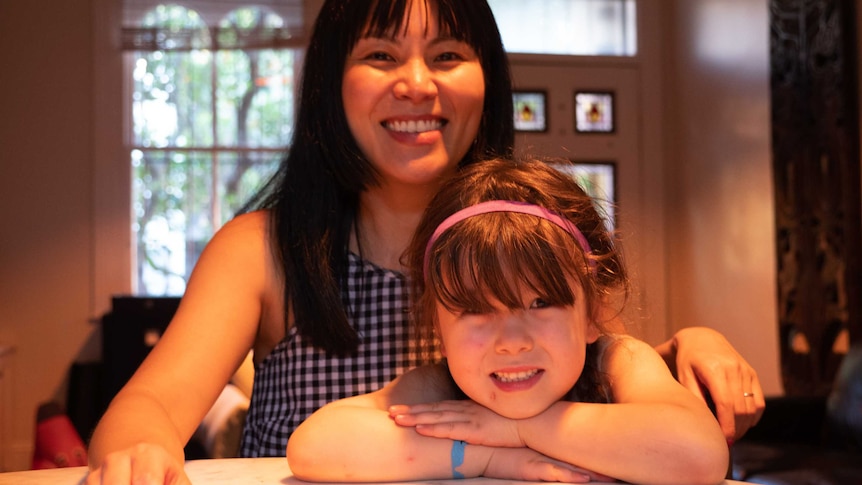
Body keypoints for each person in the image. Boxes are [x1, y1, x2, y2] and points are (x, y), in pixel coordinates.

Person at [86, 0, 762, 483]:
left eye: (448, 55)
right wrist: (141, 446)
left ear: (488, 80)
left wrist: (684, 348)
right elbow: (147, 407)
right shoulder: (263, 248)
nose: (417, 82)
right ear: (330, 85)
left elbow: (597, 365)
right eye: (381, 55)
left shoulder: (528, 241)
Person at [287, 157, 729, 485]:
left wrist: (519, 427)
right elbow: (314, 445)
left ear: (592, 313)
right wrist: (487, 457)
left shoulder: (617, 362)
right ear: (437, 327)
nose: (512, 342)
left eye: (541, 304)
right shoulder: (441, 387)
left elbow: (697, 453)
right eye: (475, 310)